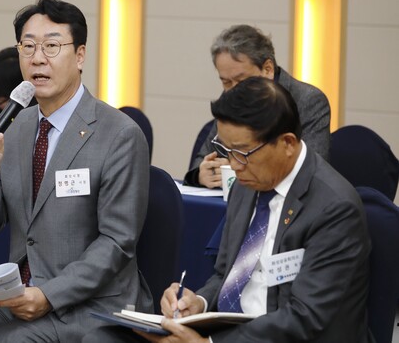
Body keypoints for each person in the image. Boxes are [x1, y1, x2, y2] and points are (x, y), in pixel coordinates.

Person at [0, 0, 152, 342]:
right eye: (28, 46)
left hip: (92, 304)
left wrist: (48, 295)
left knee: (10, 341)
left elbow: (117, 242)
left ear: (80, 55)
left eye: (52, 46)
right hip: (21, 293)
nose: (38, 58)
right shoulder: (17, 126)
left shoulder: (119, 134)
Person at [145, 77, 370, 343]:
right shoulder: (247, 182)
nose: (233, 165)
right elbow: (226, 274)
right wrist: (198, 304)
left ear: (287, 143)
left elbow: (305, 317)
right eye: (226, 150)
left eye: (242, 152)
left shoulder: (334, 208)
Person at [184, 24, 330, 188]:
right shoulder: (230, 97)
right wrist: (202, 173)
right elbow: (203, 157)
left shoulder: (308, 100)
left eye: (241, 80)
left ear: (267, 69)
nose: (233, 90)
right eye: (226, 82)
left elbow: (312, 171)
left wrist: (239, 169)